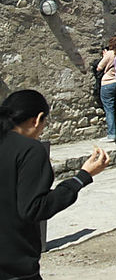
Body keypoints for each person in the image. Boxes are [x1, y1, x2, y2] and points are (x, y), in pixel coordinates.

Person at [0, 89, 109, 280]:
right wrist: (82, 177)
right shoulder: (30, 150)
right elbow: (34, 208)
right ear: (37, 119)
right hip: (14, 264)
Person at [96, 35, 116, 142]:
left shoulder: (110, 53)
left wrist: (105, 56)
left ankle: (111, 134)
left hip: (108, 82)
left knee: (109, 109)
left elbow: (99, 67)